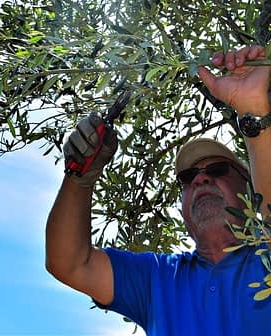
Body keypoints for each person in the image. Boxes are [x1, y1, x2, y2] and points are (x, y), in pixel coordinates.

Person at [45, 45, 271, 335]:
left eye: (216, 170)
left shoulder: (264, 258)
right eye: (189, 177)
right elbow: (70, 263)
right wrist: (79, 179)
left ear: (249, 190)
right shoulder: (158, 279)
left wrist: (253, 108)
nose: (200, 180)